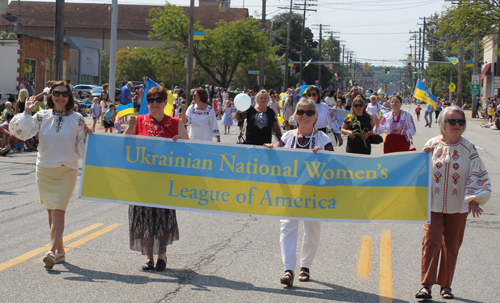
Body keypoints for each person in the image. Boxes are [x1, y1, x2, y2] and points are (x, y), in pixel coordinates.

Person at [9, 80, 92, 269]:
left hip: (66, 170)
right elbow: (20, 133)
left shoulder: (78, 118)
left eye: (64, 94)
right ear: (51, 96)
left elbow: (82, 149)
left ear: (70, 96)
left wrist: (88, 135)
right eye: (57, 93)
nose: (60, 97)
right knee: (51, 212)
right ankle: (60, 251)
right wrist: (27, 112)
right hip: (44, 169)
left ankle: (50, 251)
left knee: (59, 212)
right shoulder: (41, 116)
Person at [415, 106, 491, 300]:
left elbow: (478, 172)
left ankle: (446, 286)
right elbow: (418, 173)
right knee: (431, 241)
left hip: (458, 206)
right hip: (433, 204)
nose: (457, 125)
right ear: (442, 123)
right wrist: (423, 157)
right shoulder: (432, 144)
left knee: (451, 245)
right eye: (453, 121)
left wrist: (474, 199)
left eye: (461, 121)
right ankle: (426, 285)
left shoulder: (469, 147)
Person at [264, 98, 333, 287]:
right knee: (287, 228)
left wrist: (323, 157)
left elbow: (334, 168)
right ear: (295, 116)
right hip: (289, 192)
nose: (304, 116)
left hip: (314, 193)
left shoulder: (323, 140)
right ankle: (288, 269)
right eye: (300, 112)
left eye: (309, 113)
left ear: (315, 117)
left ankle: (306, 266)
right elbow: (277, 162)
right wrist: (271, 150)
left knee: (312, 230)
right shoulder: (286, 138)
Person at [124, 86, 188, 271]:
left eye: (158, 100)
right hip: (141, 179)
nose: (154, 104)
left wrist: (180, 142)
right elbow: (123, 144)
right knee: (144, 217)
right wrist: (130, 127)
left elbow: (188, 149)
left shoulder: (175, 122)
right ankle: (148, 257)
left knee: (161, 217)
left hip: (165, 180)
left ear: (165, 102)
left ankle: (162, 255)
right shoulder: (139, 120)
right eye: (150, 100)